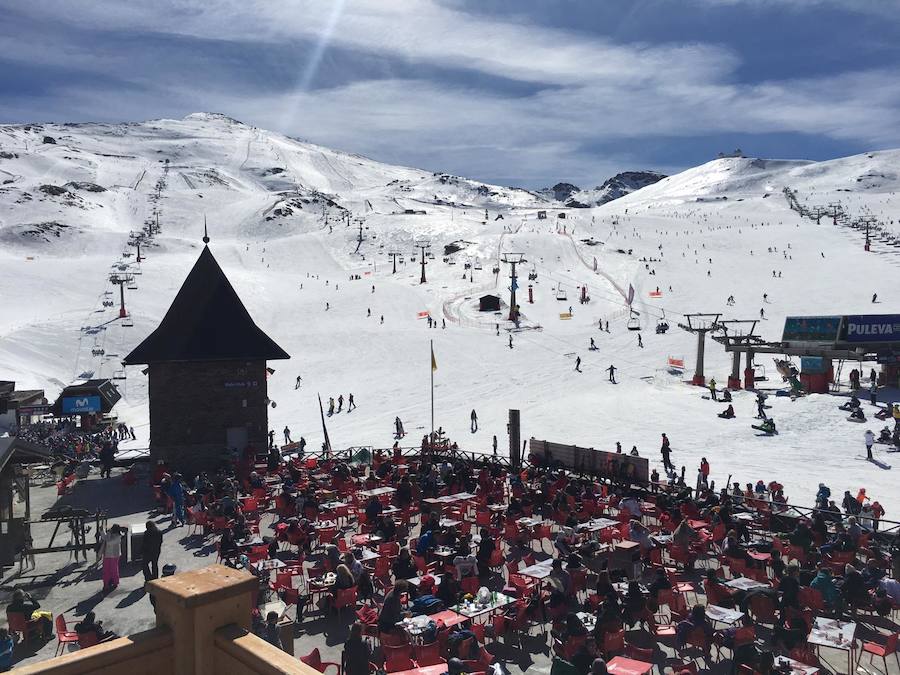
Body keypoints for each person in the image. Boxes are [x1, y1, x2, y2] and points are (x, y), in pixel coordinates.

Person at [100, 525, 123, 592]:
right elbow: (105, 538)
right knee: (106, 569)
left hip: (114, 555)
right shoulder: (111, 535)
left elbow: (109, 541)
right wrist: (102, 531)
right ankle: (106, 583)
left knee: (113, 569)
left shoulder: (118, 537)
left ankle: (115, 581)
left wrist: (108, 533)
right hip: (108, 555)